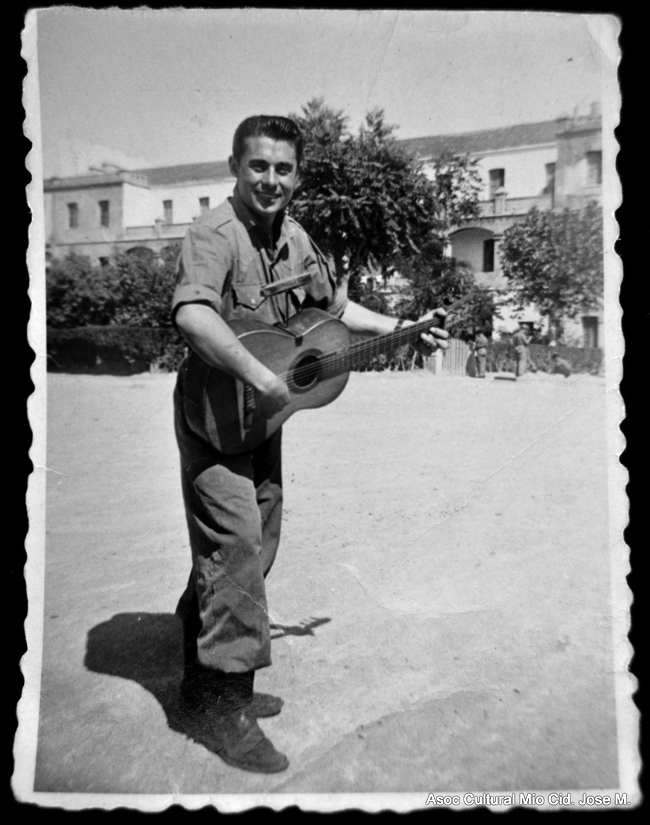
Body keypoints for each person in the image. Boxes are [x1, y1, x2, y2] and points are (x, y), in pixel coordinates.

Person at [171, 115, 449, 774]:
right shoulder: (212, 235)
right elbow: (193, 314)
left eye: (284, 169)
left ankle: (201, 677)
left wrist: (402, 325)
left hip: (264, 418)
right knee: (237, 544)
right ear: (235, 166)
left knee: (256, 541)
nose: (271, 180)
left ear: (297, 175)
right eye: (258, 166)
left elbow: (333, 310)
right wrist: (259, 375)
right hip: (215, 414)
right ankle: (225, 705)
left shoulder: (295, 237)